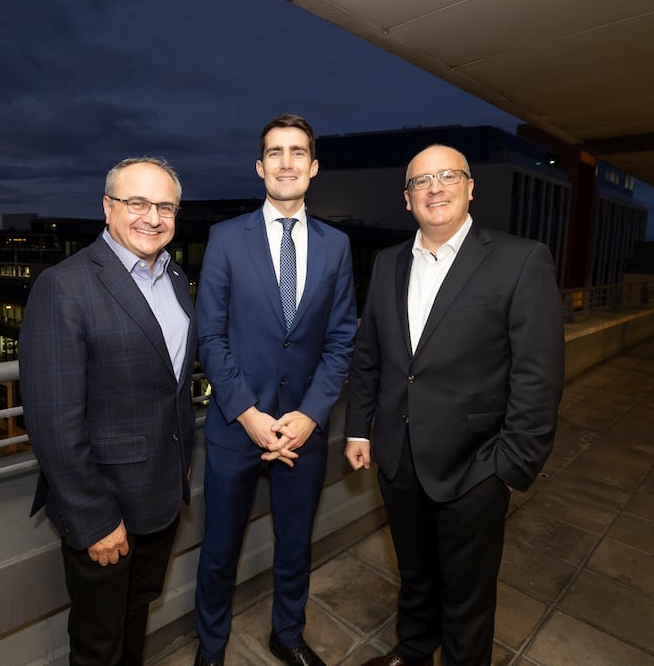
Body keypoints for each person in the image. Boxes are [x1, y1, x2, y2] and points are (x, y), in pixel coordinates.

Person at [344, 144, 565, 666]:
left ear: (470, 187)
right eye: (421, 181)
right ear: (407, 199)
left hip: (476, 466)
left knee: (467, 594)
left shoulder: (520, 259)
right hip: (398, 458)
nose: (435, 188)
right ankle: (414, 650)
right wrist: (359, 429)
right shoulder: (388, 262)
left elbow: (538, 376)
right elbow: (368, 354)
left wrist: (511, 467)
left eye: (447, 176)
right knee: (415, 575)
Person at [19, 157, 197, 666]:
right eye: (136, 202)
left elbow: (174, 384)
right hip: (105, 504)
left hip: (161, 492)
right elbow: (53, 421)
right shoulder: (65, 286)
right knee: (98, 642)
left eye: (165, 206)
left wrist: (183, 453)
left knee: (136, 615)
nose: (152, 216)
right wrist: (94, 518)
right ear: (107, 207)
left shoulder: (176, 277)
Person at [194, 114, 357, 666]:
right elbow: (210, 337)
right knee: (219, 551)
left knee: (294, 546)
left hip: (304, 430)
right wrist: (248, 413)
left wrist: (310, 416)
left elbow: (340, 342)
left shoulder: (337, 247)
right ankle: (210, 650)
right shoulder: (224, 238)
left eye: (297, 152)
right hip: (237, 426)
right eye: (274, 152)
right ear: (260, 167)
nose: (286, 162)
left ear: (313, 167)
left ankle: (286, 636)